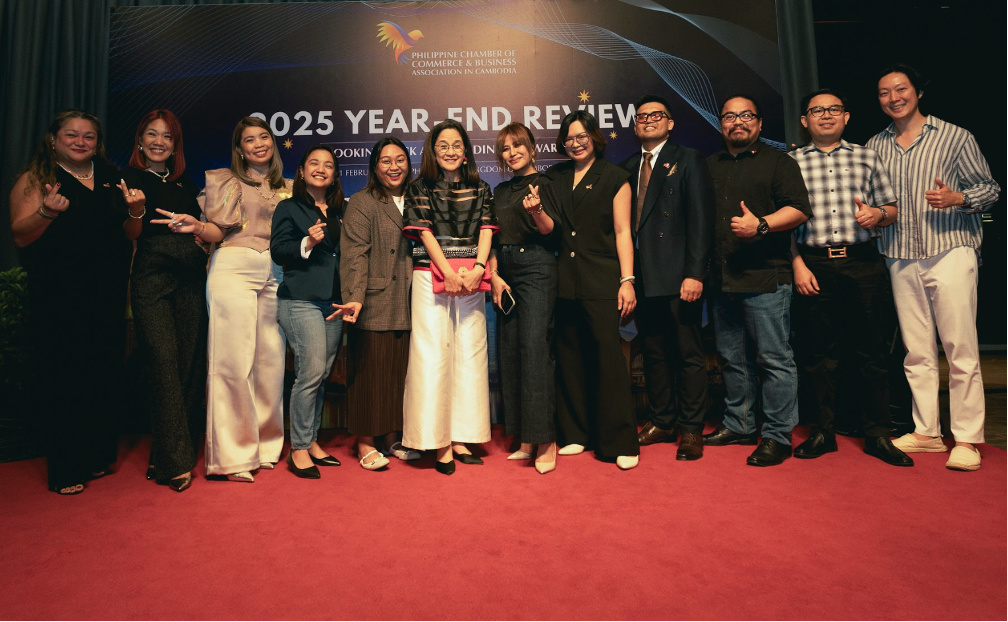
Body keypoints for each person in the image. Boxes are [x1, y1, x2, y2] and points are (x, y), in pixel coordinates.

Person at [867, 64, 1000, 471]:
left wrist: (960, 198)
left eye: (901, 89)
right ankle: (927, 432)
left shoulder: (956, 136)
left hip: (950, 249)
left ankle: (967, 439)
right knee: (916, 351)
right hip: (899, 254)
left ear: (918, 92)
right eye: (884, 92)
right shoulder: (874, 145)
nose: (893, 98)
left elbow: (990, 189)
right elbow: (876, 201)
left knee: (960, 349)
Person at [155, 116, 291, 482]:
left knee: (271, 362)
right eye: (250, 139)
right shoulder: (226, 180)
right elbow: (218, 230)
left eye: (264, 137)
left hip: (276, 273)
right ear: (239, 149)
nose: (259, 144)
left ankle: (266, 446)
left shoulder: (289, 187)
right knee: (232, 361)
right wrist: (198, 227)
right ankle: (232, 456)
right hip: (234, 267)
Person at [9, 110, 132, 494]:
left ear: (98, 143)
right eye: (72, 135)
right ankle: (66, 468)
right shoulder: (37, 178)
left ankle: (95, 456)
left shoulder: (110, 176)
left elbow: (128, 230)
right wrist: (46, 212)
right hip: (60, 296)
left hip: (107, 293)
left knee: (102, 373)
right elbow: (20, 235)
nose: (81, 142)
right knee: (65, 378)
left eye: (88, 136)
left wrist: (136, 212)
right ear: (53, 139)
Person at [788, 89, 912, 467]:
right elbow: (784, 221)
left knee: (872, 351)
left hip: (862, 263)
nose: (826, 115)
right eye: (817, 110)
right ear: (805, 121)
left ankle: (877, 433)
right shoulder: (790, 162)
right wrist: (797, 264)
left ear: (846, 117)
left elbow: (891, 208)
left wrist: (877, 215)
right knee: (816, 354)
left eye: (834, 109)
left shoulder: (867, 156)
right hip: (813, 264)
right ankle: (822, 432)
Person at [702, 94, 812, 467]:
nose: (738, 121)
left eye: (746, 115)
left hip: (767, 277)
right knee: (732, 358)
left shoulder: (779, 162)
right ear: (721, 124)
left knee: (773, 359)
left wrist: (761, 224)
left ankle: (778, 435)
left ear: (760, 123)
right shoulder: (709, 165)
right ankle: (740, 425)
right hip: (722, 280)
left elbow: (799, 210)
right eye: (730, 116)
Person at [541, 110, 640, 470]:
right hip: (564, 280)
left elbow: (623, 231)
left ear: (595, 138)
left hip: (602, 279)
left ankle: (620, 442)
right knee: (568, 358)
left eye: (582, 136)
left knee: (608, 360)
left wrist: (627, 280)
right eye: (569, 138)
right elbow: (549, 228)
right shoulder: (555, 176)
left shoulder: (615, 177)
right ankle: (575, 433)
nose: (576, 143)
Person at [619, 95, 714, 461]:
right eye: (642, 116)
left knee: (688, 354)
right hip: (643, 276)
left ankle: (690, 429)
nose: (648, 120)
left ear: (670, 123)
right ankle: (662, 420)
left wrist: (695, 273)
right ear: (635, 125)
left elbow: (701, 220)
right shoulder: (628, 166)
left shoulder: (688, 159)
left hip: (679, 276)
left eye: (656, 115)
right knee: (654, 352)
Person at [401, 119, 498, 475]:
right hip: (431, 276)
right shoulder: (419, 187)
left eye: (457, 144)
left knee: (470, 354)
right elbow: (424, 233)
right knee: (432, 354)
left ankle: (462, 436)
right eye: (443, 145)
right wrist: (447, 272)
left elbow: (486, 230)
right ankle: (437, 441)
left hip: (471, 279)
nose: (450, 151)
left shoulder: (482, 188)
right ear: (432, 151)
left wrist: (478, 268)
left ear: (466, 151)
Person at [121, 110, 207, 492]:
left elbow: (202, 229)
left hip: (191, 277)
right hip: (151, 276)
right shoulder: (127, 179)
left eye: (167, 136)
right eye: (152, 135)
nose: (159, 142)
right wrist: (136, 210)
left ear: (175, 145)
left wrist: (201, 238)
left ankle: (167, 452)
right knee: (163, 364)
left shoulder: (185, 182)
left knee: (189, 365)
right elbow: (130, 232)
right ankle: (175, 463)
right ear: (140, 141)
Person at [332, 137, 418, 471]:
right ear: (374, 167)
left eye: (400, 159)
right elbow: (354, 254)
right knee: (370, 373)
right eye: (386, 161)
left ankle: (392, 436)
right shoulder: (362, 202)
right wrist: (354, 297)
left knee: (399, 372)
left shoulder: (418, 197)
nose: (394, 167)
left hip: (413, 297)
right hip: (375, 297)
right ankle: (365, 441)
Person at [486, 123, 559, 474]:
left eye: (518, 145)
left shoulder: (546, 184)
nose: (512, 152)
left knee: (534, 349)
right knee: (511, 351)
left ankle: (546, 440)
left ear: (531, 147)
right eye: (505, 148)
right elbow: (492, 238)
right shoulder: (499, 191)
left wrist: (536, 211)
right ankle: (525, 439)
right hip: (505, 272)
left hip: (537, 268)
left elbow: (551, 231)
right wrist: (494, 275)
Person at [270, 145, 345, 479]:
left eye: (328, 165)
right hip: (300, 299)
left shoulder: (342, 210)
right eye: (314, 163)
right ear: (301, 171)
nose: (321, 169)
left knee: (322, 373)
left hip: (334, 301)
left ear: (335, 175)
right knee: (311, 372)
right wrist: (308, 242)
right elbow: (278, 250)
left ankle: (311, 440)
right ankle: (298, 448)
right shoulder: (288, 208)